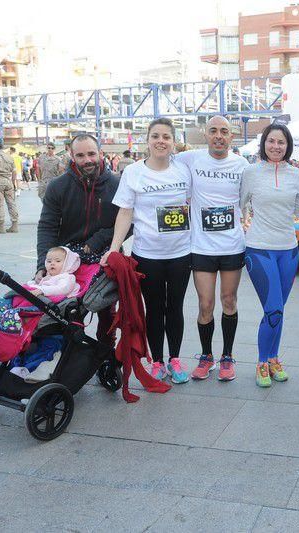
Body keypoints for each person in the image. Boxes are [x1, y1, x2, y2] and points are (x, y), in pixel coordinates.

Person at [101, 118, 192, 384]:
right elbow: (125, 212)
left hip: (180, 253)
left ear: (173, 142)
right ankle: (157, 361)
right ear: (148, 140)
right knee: (154, 308)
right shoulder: (133, 172)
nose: (160, 141)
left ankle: (174, 358)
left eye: (166, 136)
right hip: (147, 254)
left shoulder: (183, 170)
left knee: (175, 307)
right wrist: (114, 248)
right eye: (155, 136)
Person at [174, 116, 248, 382]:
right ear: (205, 134)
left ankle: (227, 356)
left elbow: (251, 197)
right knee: (205, 304)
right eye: (214, 131)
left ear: (232, 137)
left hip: (231, 245)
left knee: (229, 301)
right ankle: (207, 356)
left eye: (224, 132)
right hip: (202, 246)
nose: (219, 136)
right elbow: (161, 166)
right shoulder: (189, 159)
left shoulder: (242, 165)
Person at [37, 134, 121, 347]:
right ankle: (69, 361)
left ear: (100, 154)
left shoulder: (118, 184)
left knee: (107, 311)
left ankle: (106, 354)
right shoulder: (58, 186)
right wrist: (42, 265)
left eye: (92, 154)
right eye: (80, 155)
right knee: (66, 315)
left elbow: (130, 222)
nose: (87, 160)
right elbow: (47, 227)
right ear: (72, 156)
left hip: (105, 256)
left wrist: (98, 239)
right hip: (67, 261)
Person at [240, 123, 299, 387]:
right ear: (263, 143)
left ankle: (274, 357)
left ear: (287, 146)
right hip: (259, 249)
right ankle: (261, 362)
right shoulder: (250, 172)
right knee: (274, 309)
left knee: (278, 310)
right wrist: (245, 225)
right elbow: (240, 203)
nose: (276, 146)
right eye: (271, 141)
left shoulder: (296, 174)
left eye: (281, 142)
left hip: (289, 250)